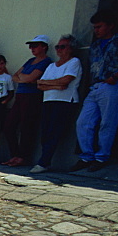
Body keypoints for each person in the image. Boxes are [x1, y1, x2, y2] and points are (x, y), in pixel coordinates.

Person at [72, 9, 118, 171]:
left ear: (110, 26)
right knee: (83, 121)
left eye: (99, 27)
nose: (96, 30)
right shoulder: (95, 45)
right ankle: (86, 156)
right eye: (95, 27)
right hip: (95, 86)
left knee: (108, 122)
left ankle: (102, 157)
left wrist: (115, 77)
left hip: (112, 85)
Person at [31, 35, 83, 173]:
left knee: (54, 132)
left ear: (71, 49)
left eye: (63, 46)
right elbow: (39, 84)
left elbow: (66, 81)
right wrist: (56, 85)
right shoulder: (51, 66)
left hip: (65, 101)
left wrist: (50, 83)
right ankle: (44, 160)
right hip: (48, 100)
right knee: (45, 133)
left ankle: (43, 162)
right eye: (57, 47)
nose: (59, 49)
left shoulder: (74, 62)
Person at [3, 36, 53, 166]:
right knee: (9, 125)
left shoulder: (46, 62)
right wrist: (25, 79)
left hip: (32, 96)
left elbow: (32, 77)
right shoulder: (30, 61)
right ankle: (15, 154)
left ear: (44, 47)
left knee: (27, 127)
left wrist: (25, 78)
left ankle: (23, 157)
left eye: (35, 46)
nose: (32, 49)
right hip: (20, 95)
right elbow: (15, 76)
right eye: (31, 46)